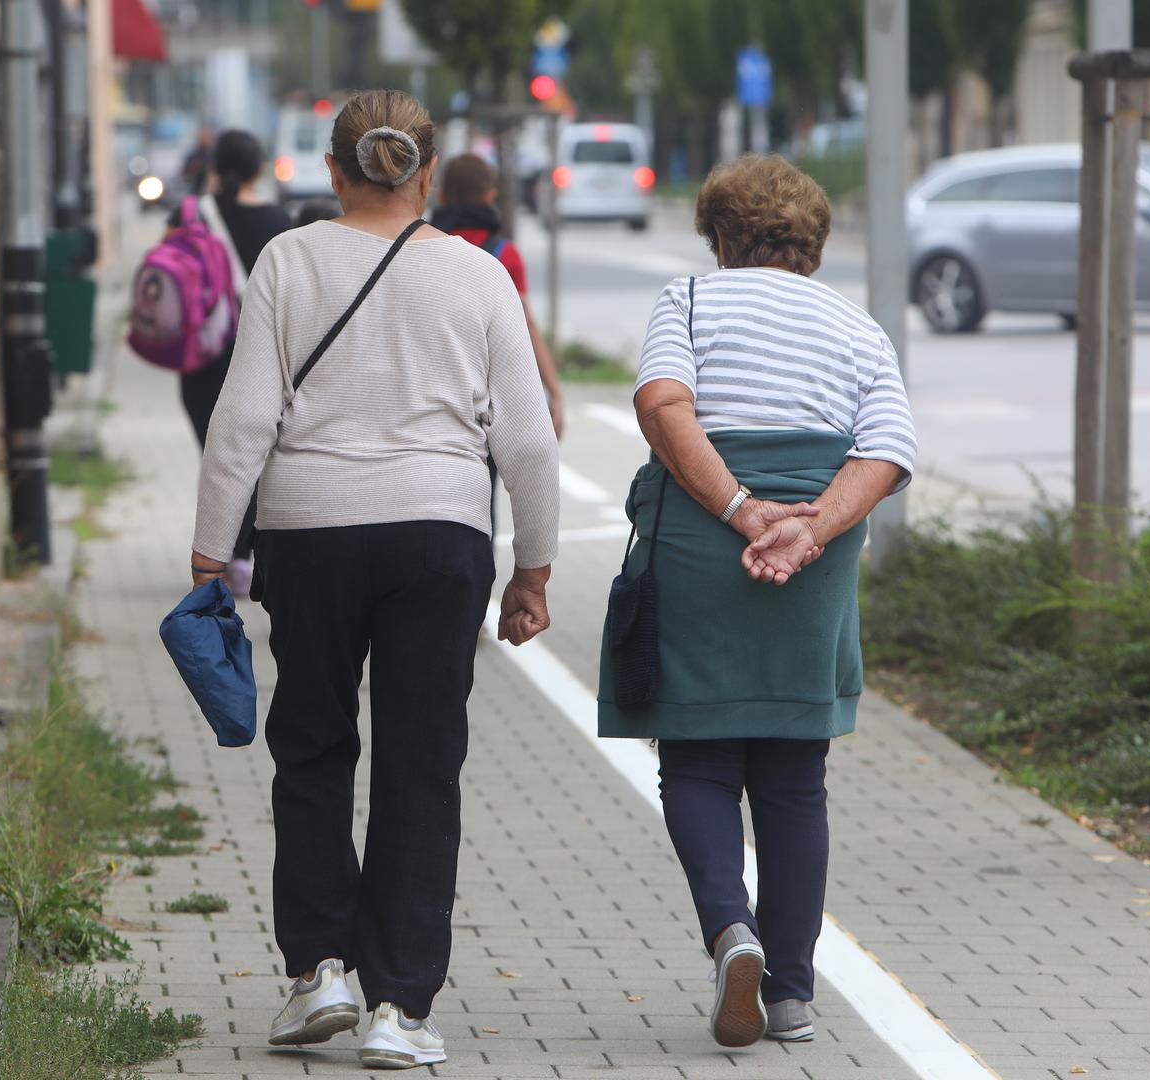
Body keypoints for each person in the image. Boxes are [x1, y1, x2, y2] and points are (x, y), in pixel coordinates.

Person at [190, 90, 559, 1070]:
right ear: (427, 174)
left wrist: (209, 549)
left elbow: (242, 422)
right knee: (420, 763)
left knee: (311, 745)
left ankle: (318, 972)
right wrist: (534, 568)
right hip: (441, 536)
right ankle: (398, 1006)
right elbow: (526, 440)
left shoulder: (289, 259)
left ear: (332, 169)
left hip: (307, 535)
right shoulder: (477, 275)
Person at [597, 155, 917, 1048]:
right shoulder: (857, 328)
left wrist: (741, 510)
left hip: (703, 546)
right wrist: (808, 530)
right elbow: (889, 448)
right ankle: (791, 993)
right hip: (810, 563)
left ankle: (729, 930)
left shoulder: (691, 302)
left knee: (697, 762)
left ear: (721, 237)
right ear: (810, 243)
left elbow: (662, 404)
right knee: (793, 777)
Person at [172, 129, 291, 597]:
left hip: (201, 354)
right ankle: (246, 556)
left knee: (218, 455)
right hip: (258, 355)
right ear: (260, 168)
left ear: (214, 166)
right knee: (259, 455)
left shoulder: (189, 215)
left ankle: (225, 555)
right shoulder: (279, 220)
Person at [432, 153, 565, 438]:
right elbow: (526, 324)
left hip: (432, 391)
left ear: (441, 196)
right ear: (490, 196)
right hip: (488, 400)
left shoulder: (421, 247)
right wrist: (553, 389)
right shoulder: (504, 254)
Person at [179, 124, 215, 195]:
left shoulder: (214, 155)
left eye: (206, 136)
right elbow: (184, 175)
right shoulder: (193, 156)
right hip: (194, 192)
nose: (204, 139)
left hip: (210, 193)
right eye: (202, 136)